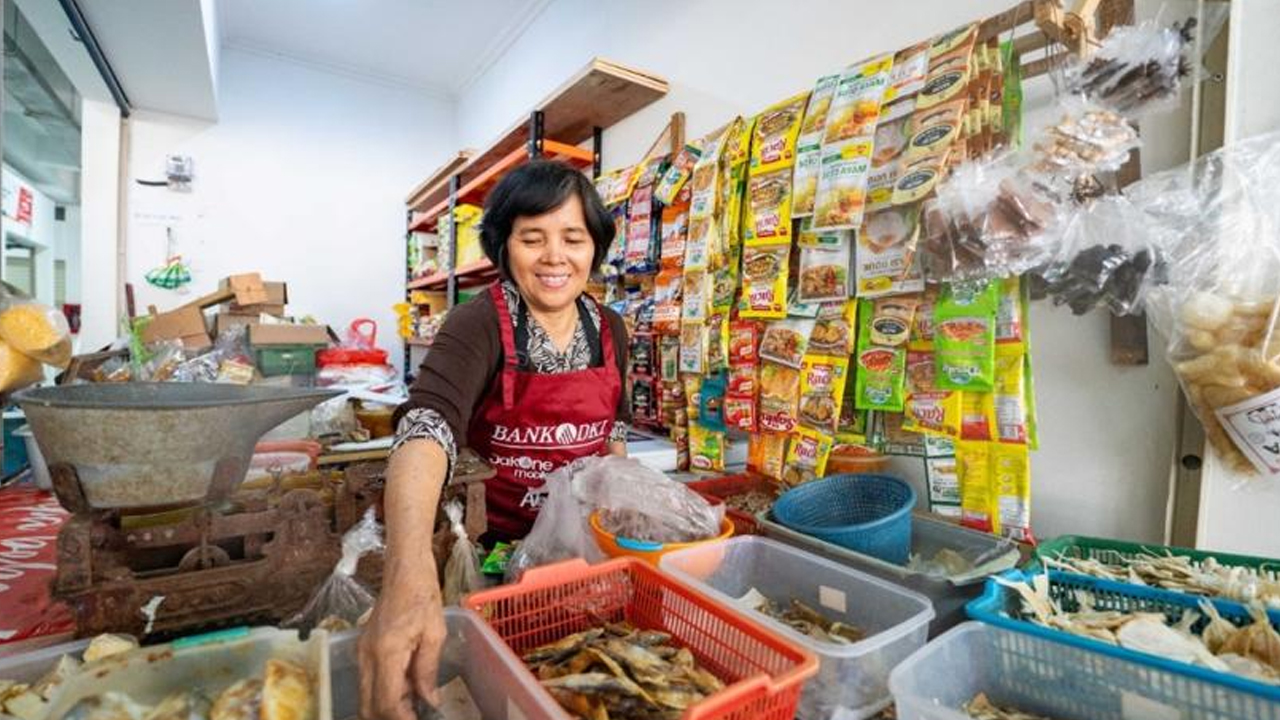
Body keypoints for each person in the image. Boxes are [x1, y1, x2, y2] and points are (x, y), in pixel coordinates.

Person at [359, 160, 630, 720]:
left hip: (576, 552)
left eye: (573, 238)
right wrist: (408, 571)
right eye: (532, 238)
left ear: (595, 248)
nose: (554, 256)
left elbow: (614, 433)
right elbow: (426, 426)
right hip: (489, 553)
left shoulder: (611, 328)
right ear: (505, 246)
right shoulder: (476, 323)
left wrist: (617, 528)